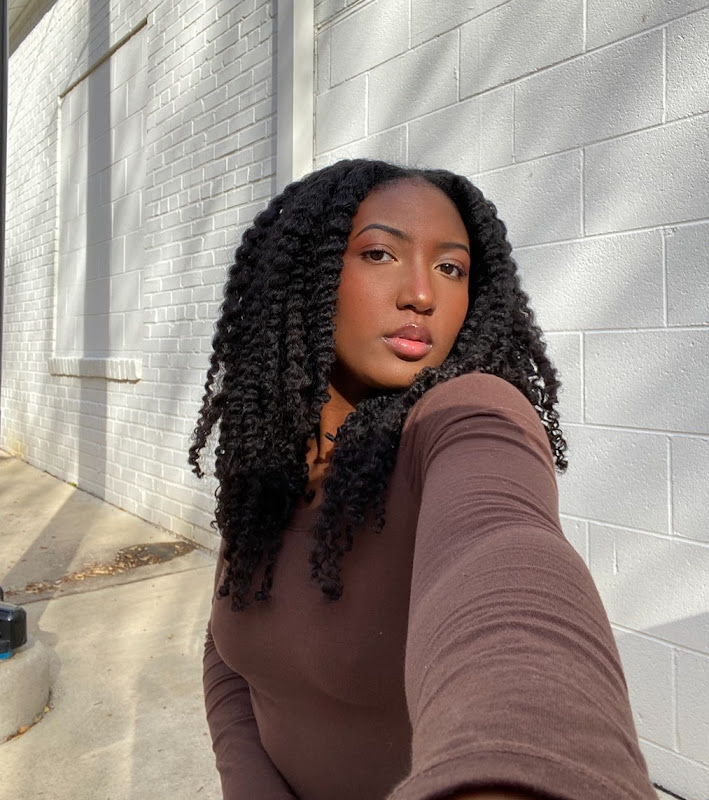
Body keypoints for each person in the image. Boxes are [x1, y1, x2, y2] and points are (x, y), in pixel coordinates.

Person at [189, 159, 657, 800]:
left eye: (451, 268)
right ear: (304, 275)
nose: (422, 295)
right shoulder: (272, 461)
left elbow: (505, 553)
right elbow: (228, 650)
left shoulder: (465, 414)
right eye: (380, 254)